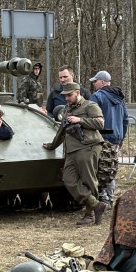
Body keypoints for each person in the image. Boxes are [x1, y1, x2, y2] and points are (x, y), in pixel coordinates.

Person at [42, 81, 105, 224]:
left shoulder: (90, 106)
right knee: (68, 179)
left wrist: (80, 120)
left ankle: (89, 215)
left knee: (89, 180)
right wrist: (52, 146)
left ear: (77, 93)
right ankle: (96, 204)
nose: (66, 98)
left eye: (69, 95)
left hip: (88, 146)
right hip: (71, 150)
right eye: (65, 96)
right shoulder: (67, 108)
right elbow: (62, 130)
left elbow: (100, 123)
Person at [89, 70, 129, 204]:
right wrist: (122, 136)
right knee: (110, 167)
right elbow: (125, 119)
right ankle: (110, 197)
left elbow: (91, 117)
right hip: (116, 137)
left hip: (101, 137)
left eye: (95, 81)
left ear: (102, 82)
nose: (94, 84)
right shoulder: (119, 97)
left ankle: (102, 196)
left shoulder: (97, 96)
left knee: (99, 168)